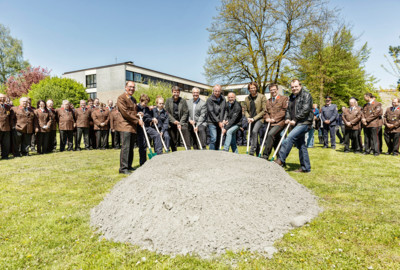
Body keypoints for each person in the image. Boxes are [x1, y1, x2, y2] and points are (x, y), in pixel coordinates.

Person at [274, 79, 313, 173]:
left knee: (289, 138)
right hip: (295, 123)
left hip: (304, 122)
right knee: (301, 145)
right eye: (292, 87)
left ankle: (280, 160)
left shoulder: (306, 95)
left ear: (300, 86)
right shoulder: (291, 97)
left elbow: (305, 110)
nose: (294, 88)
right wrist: (287, 118)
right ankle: (305, 167)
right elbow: (288, 110)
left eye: (296, 86)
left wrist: (295, 119)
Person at [116, 81, 141, 174]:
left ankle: (129, 166)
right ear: (125, 87)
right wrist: (137, 120)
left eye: (133, 87)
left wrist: (139, 114)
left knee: (130, 147)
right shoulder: (121, 98)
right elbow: (125, 113)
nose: (132, 89)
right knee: (125, 147)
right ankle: (123, 168)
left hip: (132, 127)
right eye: (130, 87)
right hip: (125, 126)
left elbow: (133, 112)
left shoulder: (134, 99)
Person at [261, 83, 288, 159]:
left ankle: (265, 155)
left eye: (274, 90)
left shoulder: (284, 98)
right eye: (271, 90)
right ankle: (280, 159)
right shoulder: (268, 101)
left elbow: (284, 111)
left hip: (280, 123)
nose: (273, 91)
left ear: (277, 90)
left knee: (270, 134)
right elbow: (265, 112)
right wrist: (267, 118)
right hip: (271, 124)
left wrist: (274, 119)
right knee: (276, 141)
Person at [244, 82, 267, 156]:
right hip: (250, 119)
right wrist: (248, 117)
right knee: (253, 136)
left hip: (259, 119)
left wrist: (254, 118)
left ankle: (251, 151)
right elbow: (245, 110)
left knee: (254, 131)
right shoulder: (247, 98)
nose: (252, 89)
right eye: (251, 88)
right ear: (249, 89)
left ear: (256, 88)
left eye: (254, 87)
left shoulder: (262, 97)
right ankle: (257, 154)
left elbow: (264, 110)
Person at [165, 86, 190, 151]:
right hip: (172, 122)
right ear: (172, 92)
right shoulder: (168, 100)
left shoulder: (183, 101)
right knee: (173, 139)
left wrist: (180, 123)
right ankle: (174, 151)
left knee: (185, 130)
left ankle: (188, 149)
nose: (176, 94)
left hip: (182, 122)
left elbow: (186, 112)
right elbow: (167, 112)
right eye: (174, 92)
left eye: (177, 92)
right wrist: (174, 121)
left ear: (179, 93)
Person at [206, 84, 226, 150]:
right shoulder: (209, 100)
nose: (217, 93)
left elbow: (224, 110)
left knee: (219, 139)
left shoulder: (223, 99)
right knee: (214, 138)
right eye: (216, 91)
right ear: (213, 91)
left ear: (221, 91)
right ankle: (211, 154)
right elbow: (211, 112)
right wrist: (218, 121)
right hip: (212, 122)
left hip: (220, 121)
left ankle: (217, 154)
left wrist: (223, 120)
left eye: (218, 91)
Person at [0, 93, 12, 159]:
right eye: (1, 97)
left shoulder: (8, 107)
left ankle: (5, 155)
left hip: (7, 128)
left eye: (3, 98)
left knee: (6, 143)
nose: (2, 99)